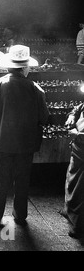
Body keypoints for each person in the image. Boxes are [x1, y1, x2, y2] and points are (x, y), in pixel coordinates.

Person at [0, 45, 49, 226]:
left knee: (0, 179)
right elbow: (44, 118)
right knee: (23, 178)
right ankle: (20, 214)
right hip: (26, 144)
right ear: (24, 67)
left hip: (2, 142)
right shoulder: (37, 89)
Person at [59, 101, 84, 239]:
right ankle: (69, 210)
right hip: (78, 149)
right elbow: (78, 108)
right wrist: (72, 116)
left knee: (80, 189)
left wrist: (79, 134)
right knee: (71, 181)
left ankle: (79, 226)